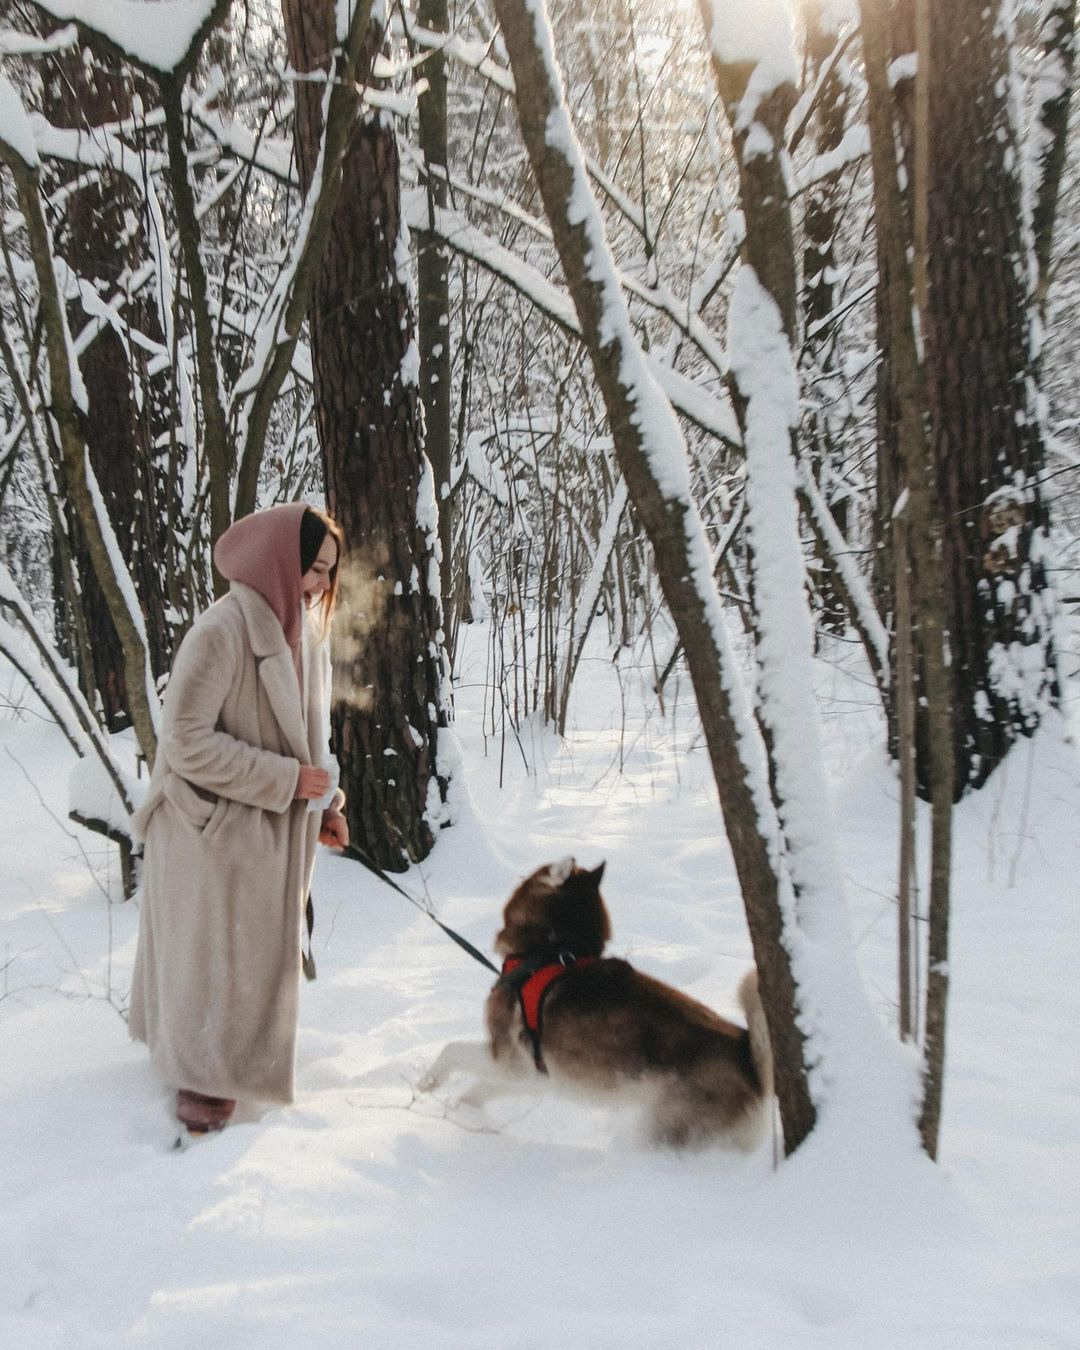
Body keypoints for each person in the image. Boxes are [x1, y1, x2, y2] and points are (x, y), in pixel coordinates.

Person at [129, 503, 349, 1134]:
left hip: (268, 826)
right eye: (314, 569)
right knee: (214, 956)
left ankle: (235, 1060)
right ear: (281, 562)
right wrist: (283, 783)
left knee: (252, 953)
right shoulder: (220, 631)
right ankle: (200, 1074)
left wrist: (323, 803)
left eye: (330, 573)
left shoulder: (302, 635)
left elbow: (306, 743)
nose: (322, 586)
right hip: (209, 830)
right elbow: (185, 743)